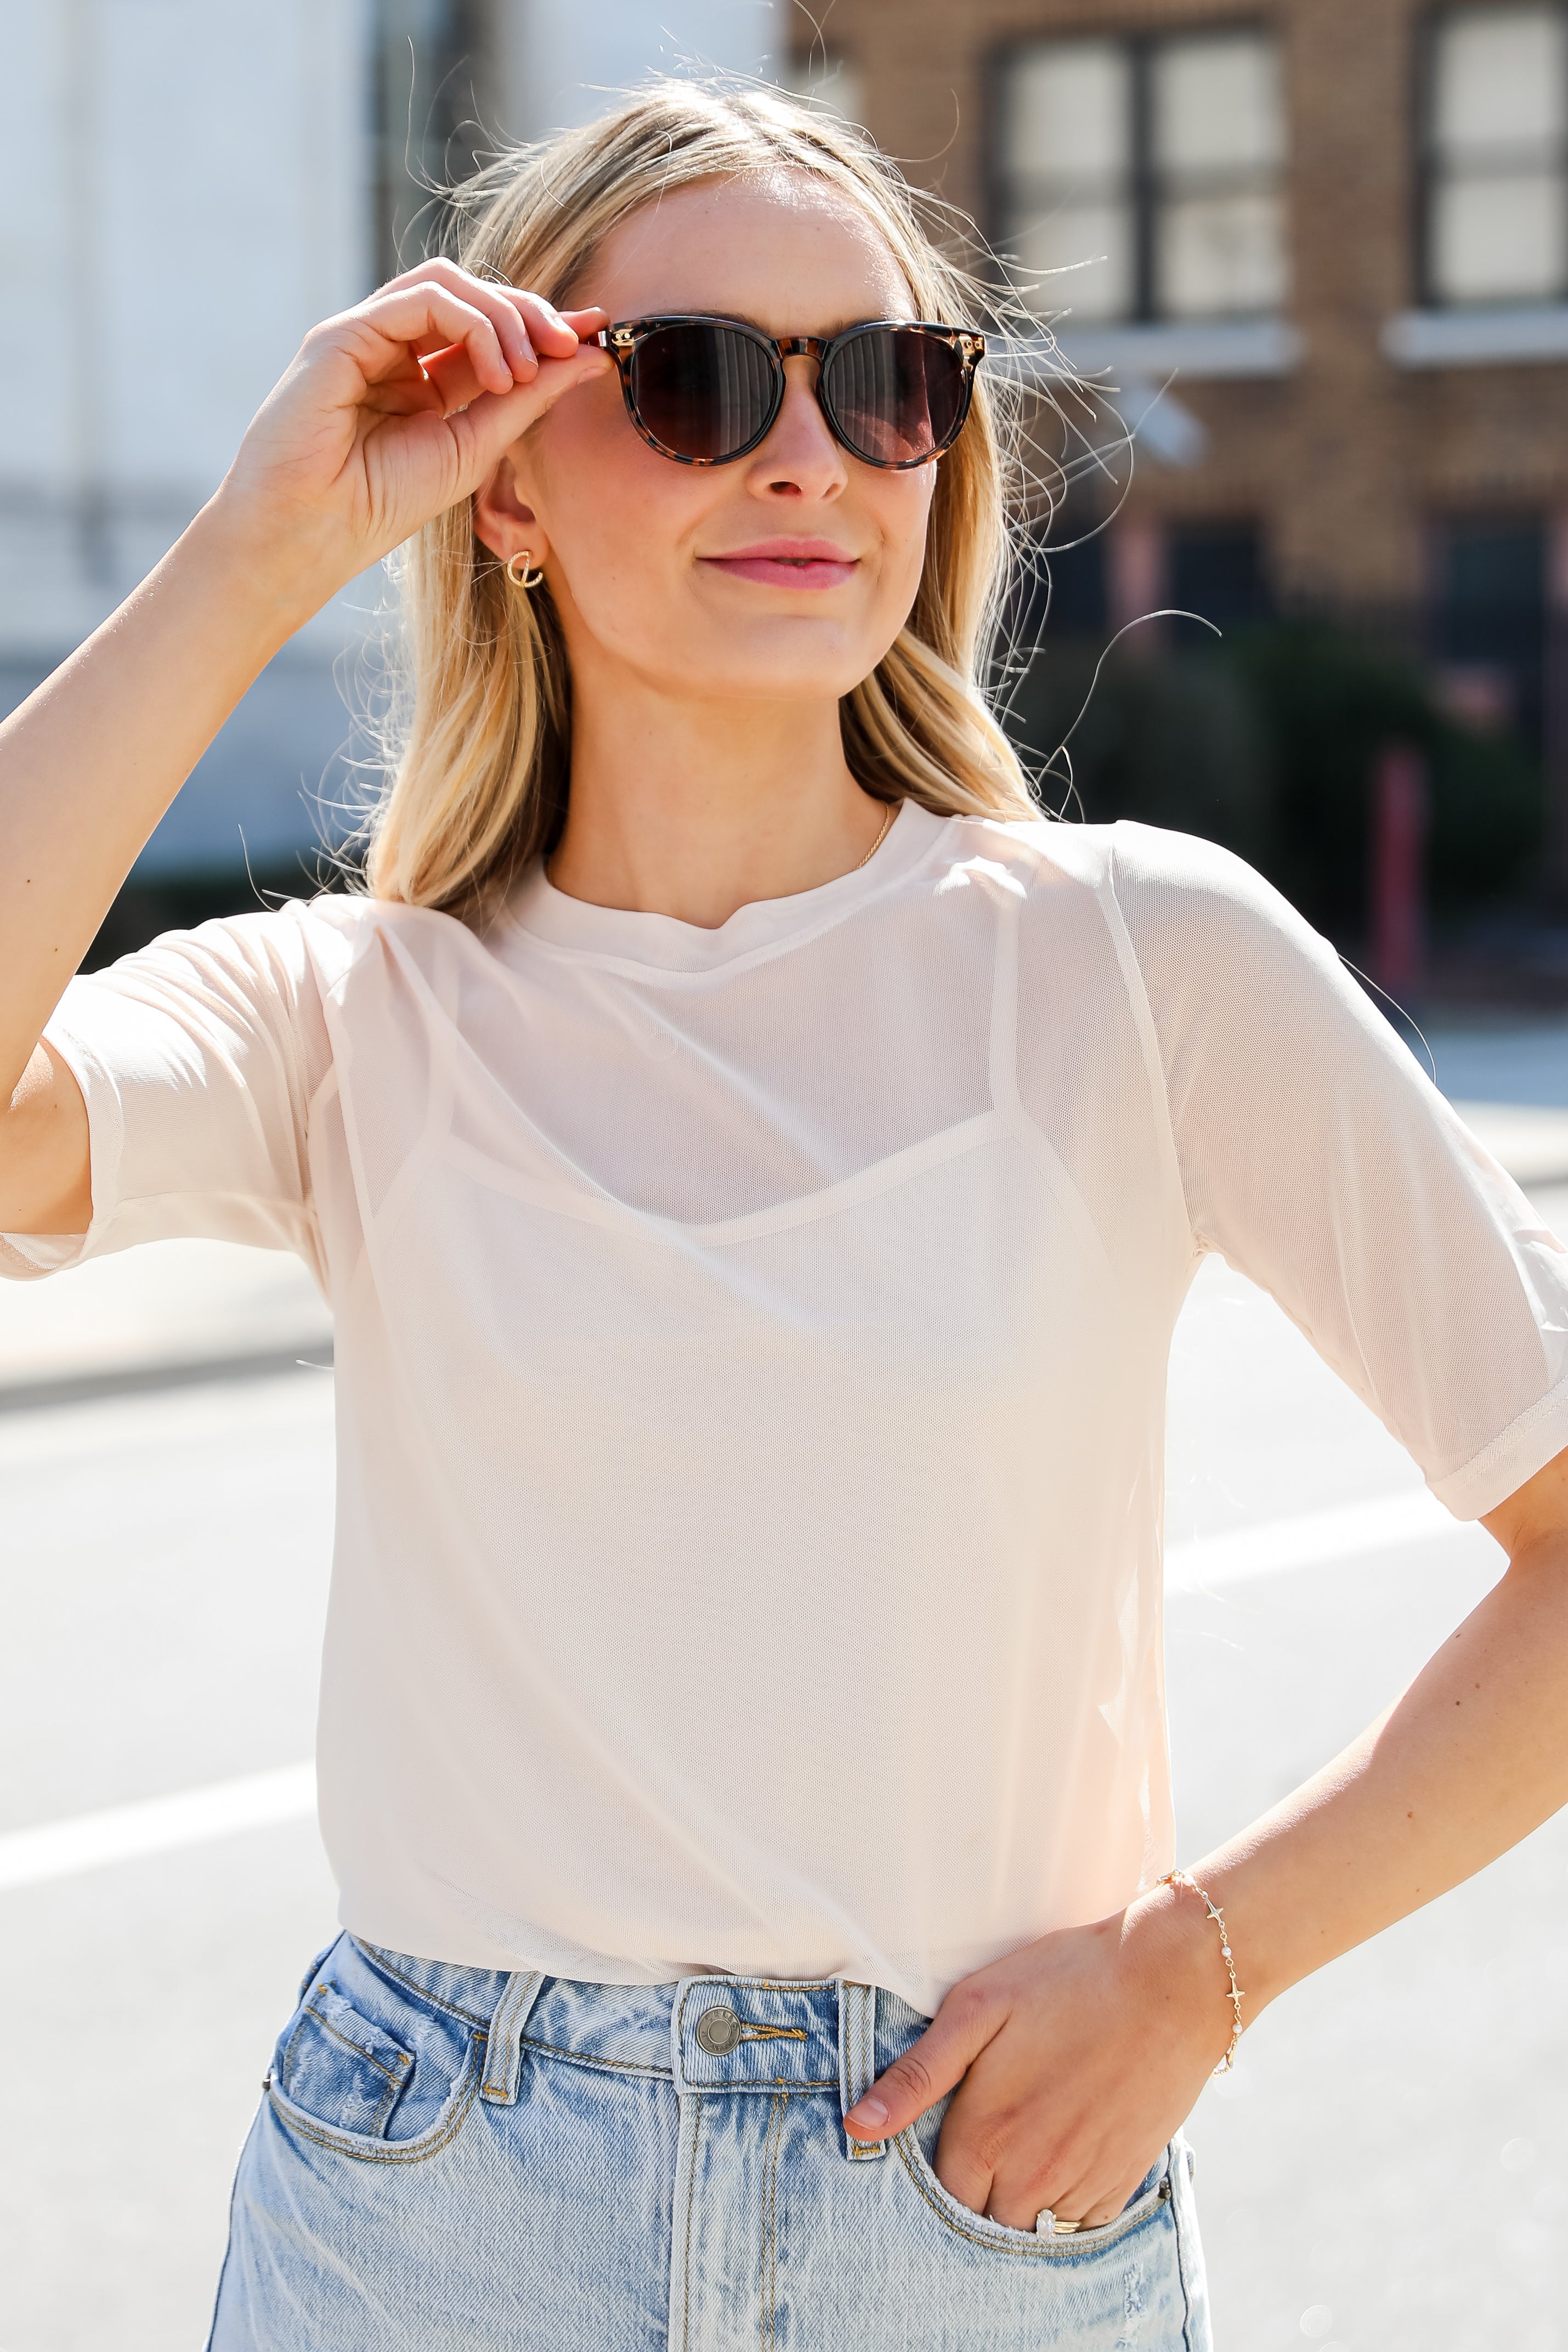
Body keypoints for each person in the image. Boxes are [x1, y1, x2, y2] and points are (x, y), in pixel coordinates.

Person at [3, 78, 1567, 2352]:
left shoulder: (1141, 958)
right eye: (694, 379)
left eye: (887, 380)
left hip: (970, 2191)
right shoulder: (357, 1013)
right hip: (432, 2210)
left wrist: (1197, 1964)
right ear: (507, 476)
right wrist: (261, 545)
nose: (805, 451)